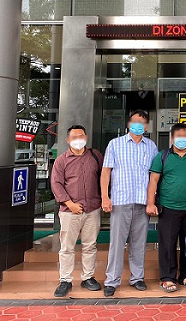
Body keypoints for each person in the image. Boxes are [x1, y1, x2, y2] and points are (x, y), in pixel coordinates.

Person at [101, 110, 159, 297]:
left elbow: (154, 175)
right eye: (135, 121)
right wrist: (105, 197)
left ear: (147, 126)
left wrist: (152, 200)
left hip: (142, 201)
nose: (138, 125)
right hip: (120, 201)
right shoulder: (115, 144)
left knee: (139, 243)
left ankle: (137, 278)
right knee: (117, 243)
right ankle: (112, 280)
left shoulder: (151, 146)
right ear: (128, 124)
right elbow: (106, 172)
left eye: (142, 122)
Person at [146, 123, 186, 292]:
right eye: (178, 136)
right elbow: (153, 180)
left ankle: (185, 275)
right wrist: (150, 203)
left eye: (185, 136)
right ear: (172, 138)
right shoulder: (162, 156)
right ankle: (167, 278)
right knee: (167, 245)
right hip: (168, 208)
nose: (181, 139)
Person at [50, 125, 103, 297]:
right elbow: (56, 184)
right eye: (74, 137)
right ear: (68, 140)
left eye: (81, 136)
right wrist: (69, 203)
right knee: (67, 247)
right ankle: (65, 280)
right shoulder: (61, 160)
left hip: (92, 209)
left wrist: (104, 199)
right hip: (69, 211)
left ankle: (88, 277)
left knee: (90, 245)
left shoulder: (95, 156)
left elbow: (104, 178)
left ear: (86, 137)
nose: (78, 139)